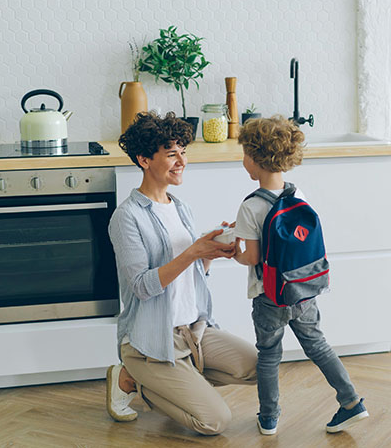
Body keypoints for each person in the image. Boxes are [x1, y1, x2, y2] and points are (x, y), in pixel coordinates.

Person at [105, 111, 257, 436]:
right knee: (214, 422)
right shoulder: (127, 217)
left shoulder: (180, 207)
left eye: (183, 151)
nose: (181, 161)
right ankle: (132, 379)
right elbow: (142, 287)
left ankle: (180, 379)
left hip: (194, 331)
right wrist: (193, 252)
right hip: (153, 339)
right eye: (171, 153)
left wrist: (212, 251)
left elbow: (192, 275)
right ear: (144, 159)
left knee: (259, 366)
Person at [232, 116, 369, 435]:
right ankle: (351, 403)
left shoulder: (250, 206)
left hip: (269, 297)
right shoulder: (298, 194)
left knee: (269, 355)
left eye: (244, 155)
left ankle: (269, 418)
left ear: (253, 159)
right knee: (318, 346)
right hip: (303, 290)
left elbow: (251, 257)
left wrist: (233, 251)